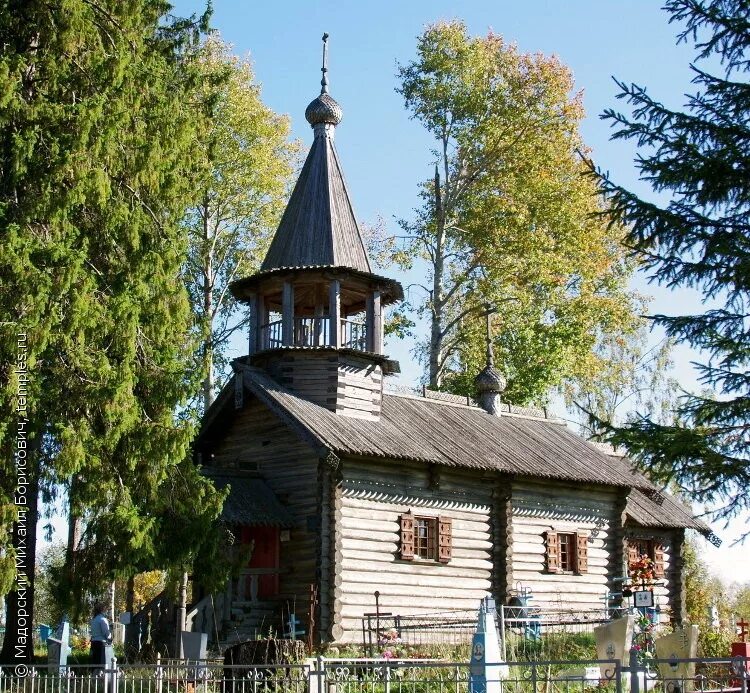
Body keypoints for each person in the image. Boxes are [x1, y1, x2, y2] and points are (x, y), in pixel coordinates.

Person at [89, 602, 112, 670]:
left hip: (93, 643)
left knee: (94, 663)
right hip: (101, 644)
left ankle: (94, 678)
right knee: (101, 664)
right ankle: (101, 679)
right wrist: (110, 637)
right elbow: (106, 633)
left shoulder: (94, 619)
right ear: (102, 610)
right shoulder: (102, 619)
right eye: (105, 609)